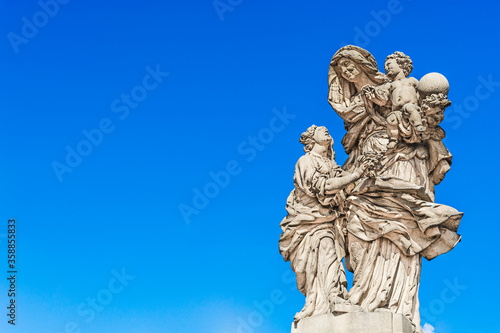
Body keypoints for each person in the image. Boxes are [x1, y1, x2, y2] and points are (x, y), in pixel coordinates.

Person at [328, 45, 463, 333]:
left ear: (365, 65)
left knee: (396, 225)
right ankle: (362, 292)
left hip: (398, 165)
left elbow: (418, 128)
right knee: (356, 224)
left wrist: (413, 120)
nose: (348, 72)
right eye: (342, 71)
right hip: (366, 165)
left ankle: (386, 302)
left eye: (351, 66)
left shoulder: (397, 87)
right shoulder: (358, 104)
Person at [278, 125, 368, 322]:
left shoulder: (333, 167)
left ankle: (334, 295)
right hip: (310, 223)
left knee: (335, 257)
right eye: (320, 130)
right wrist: (354, 175)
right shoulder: (306, 161)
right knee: (326, 249)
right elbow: (322, 187)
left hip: (332, 222)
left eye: (327, 130)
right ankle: (331, 297)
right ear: (311, 139)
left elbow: (348, 186)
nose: (326, 130)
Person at [362, 51, 426, 149]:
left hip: (411, 108)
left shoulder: (411, 80)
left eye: (388, 64)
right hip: (397, 111)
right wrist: (372, 96)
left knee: (409, 108)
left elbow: (422, 94)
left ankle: (418, 126)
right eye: (385, 66)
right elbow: (382, 99)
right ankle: (393, 139)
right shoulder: (390, 85)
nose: (385, 68)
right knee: (390, 119)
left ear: (401, 64)